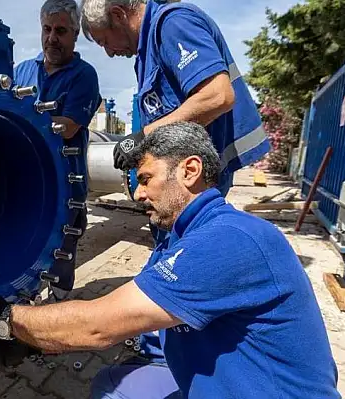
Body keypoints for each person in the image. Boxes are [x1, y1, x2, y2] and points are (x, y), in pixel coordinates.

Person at [0, 122, 340, 399]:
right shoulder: (179, 238)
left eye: (145, 178)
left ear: (190, 171)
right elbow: (132, 319)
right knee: (110, 385)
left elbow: (98, 327)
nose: (138, 193)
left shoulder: (230, 239)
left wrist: (6, 321)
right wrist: (37, 341)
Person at [79, 0, 273, 365]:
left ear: (120, 15)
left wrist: (144, 137)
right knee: (168, 241)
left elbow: (218, 95)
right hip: (187, 164)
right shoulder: (147, 47)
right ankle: (164, 332)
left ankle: (170, 343)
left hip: (203, 167)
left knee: (184, 248)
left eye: (106, 40)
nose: (109, 51)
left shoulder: (174, 24)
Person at [13, 0, 102, 301]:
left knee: (62, 245)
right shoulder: (23, 71)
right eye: (47, 29)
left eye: (61, 31)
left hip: (66, 183)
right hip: (26, 180)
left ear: (76, 34)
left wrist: (17, 125)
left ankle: (59, 300)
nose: (52, 38)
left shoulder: (84, 76)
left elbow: (69, 126)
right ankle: (22, 297)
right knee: (23, 239)